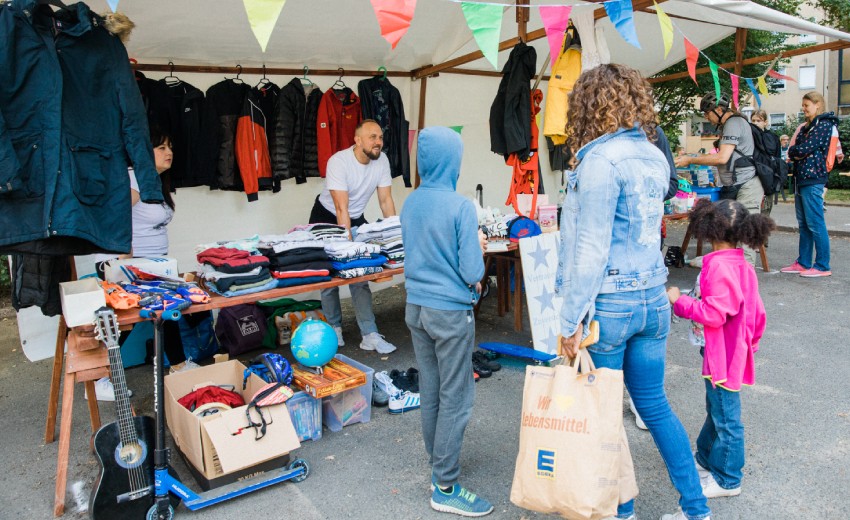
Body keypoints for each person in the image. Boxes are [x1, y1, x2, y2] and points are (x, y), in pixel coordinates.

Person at [557, 64, 710, 520]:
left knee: (606, 418)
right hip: (652, 296)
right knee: (655, 406)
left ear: (588, 104)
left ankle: (622, 510)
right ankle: (695, 507)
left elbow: (590, 248)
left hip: (611, 304)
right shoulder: (653, 155)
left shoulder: (600, 161)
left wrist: (567, 321)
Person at [401, 126, 491, 517]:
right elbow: (472, 270)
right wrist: (479, 247)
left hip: (416, 308)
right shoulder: (460, 206)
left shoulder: (410, 202)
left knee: (433, 390)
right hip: (450, 313)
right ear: (452, 161)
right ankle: (445, 484)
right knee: (458, 396)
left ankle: (438, 462)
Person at [667, 198, 773, 500]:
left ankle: (728, 479)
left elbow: (714, 314)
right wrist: (751, 343)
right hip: (733, 348)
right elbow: (757, 311)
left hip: (722, 353)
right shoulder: (740, 264)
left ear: (707, 228)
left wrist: (680, 301)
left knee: (727, 416)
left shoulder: (719, 267)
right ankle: (704, 457)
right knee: (718, 408)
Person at [91, 127, 194, 401]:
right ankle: (99, 377)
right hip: (127, 265)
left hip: (152, 267)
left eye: (170, 146)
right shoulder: (135, 177)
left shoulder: (155, 182)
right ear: (144, 153)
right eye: (161, 147)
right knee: (125, 322)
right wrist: (125, 256)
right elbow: (115, 215)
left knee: (166, 312)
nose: (168, 152)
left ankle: (180, 367)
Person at [309, 119, 398, 354]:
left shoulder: (382, 161)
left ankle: (369, 334)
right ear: (358, 140)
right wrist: (349, 251)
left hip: (355, 216)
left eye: (380, 137)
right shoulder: (339, 162)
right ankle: (333, 327)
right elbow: (341, 209)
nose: (378, 142)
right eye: (372, 137)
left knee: (361, 275)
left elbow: (386, 201)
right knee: (330, 277)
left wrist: (396, 241)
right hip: (327, 216)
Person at [675, 92, 764, 267]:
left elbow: (722, 158)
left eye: (707, 113)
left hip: (747, 184)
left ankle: (744, 283)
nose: (707, 117)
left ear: (718, 109)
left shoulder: (733, 123)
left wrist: (690, 159)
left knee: (746, 235)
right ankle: (728, 275)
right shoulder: (729, 125)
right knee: (728, 232)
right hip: (735, 184)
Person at [780, 92, 840, 277]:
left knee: (815, 223)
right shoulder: (806, 127)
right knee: (804, 224)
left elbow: (803, 148)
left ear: (818, 105)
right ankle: (804, 262)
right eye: (803, 105)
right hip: (801, 179)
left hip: (813, 180)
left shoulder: (824, 125)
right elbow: (794, 149)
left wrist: (797, 151)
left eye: (807, 105)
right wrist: (796, 151)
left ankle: (822, 265)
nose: (803, 108)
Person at [749, 110, 783, 216]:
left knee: (764, 212)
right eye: (753, 120)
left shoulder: (772, 138)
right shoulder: (749, 136)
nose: (755, 123)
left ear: (765, 122)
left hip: (767, 177)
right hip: (752, 176)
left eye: (758, 120)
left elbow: (777, 157)